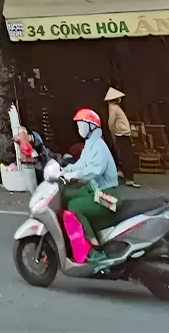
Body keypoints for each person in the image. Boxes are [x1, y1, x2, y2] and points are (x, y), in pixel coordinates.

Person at [62, 107, 121, 257]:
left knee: (74, 205)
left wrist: (73, 175)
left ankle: (94, 248)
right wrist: (63, 170)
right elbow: (80, 165)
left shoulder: (99, 146)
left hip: (107, 196)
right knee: (67, 195)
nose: (79, 129)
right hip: (95, 190)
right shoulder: (90, 145)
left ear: (91, 126)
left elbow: (94, 170)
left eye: (81, 125)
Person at [105, 87, 139, 188]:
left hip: (123, 134)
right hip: (121, 135)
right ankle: (128, 178)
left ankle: (126, 176)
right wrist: (113, 134)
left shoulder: (114, 107)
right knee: (126, 157)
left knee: (126, 156)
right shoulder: (113, 108)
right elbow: (111, 123)